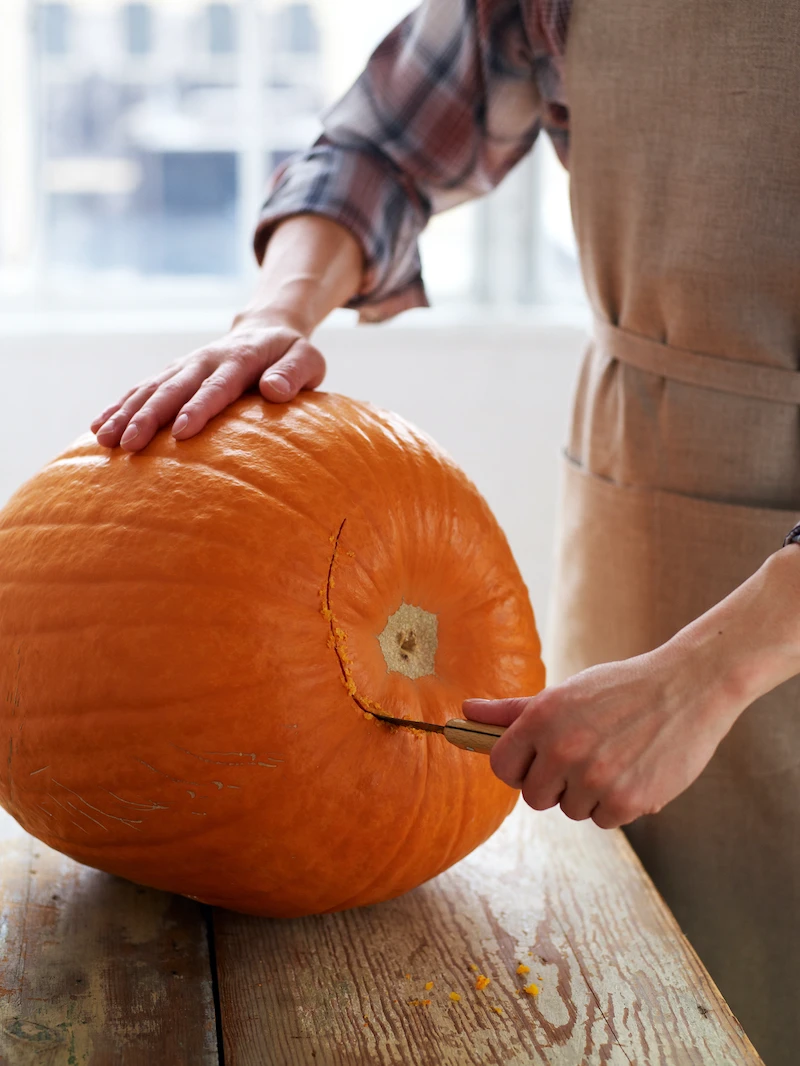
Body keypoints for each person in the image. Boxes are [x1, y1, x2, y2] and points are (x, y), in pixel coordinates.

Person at [92, 2, 799, 1061]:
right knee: (653, 997)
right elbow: (380, 143)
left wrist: (706, 672)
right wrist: (275, 314)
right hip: (642, 483)